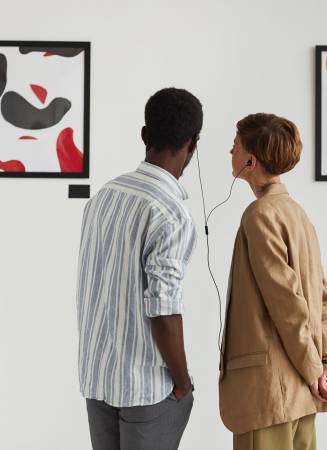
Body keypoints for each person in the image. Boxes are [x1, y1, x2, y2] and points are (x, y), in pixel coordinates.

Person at [76, 87, 202, 450]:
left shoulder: (104, 196)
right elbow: (163, 309)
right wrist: (182, 383)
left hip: (98, 379)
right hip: (147, 388)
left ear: (145, 135)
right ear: (192, 144)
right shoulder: (170, 212)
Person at [219, 113, 327, 450]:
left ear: (250, 161)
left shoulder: (260, 216)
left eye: (233, 148)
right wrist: (326, 362)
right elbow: (325, 298)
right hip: (301, 389)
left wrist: (316, 368)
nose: (229, 153)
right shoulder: (297, 214)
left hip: (269, 393)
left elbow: (286, 303)